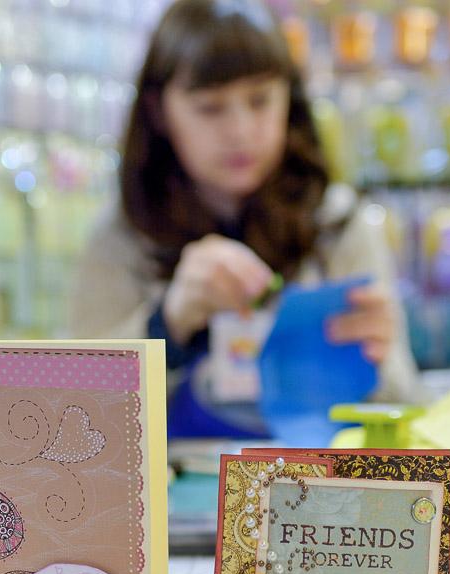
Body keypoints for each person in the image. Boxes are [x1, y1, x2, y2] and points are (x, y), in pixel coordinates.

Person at [69, 0, 419, 434]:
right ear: (159, 112)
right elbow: (75, 411)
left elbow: (404, 400)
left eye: (260, 100)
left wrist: (376, 359)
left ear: (289, 99)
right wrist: (168, 322)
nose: (240, 131)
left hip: (314, 474)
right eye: (210, 107)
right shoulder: (120, 238)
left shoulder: (339, 224)